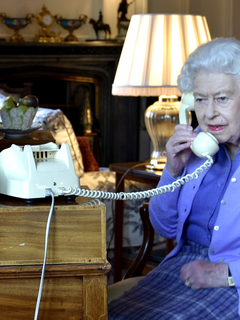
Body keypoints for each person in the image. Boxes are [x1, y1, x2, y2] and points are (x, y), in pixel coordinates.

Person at [108, 37, 240, 319]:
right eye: (201, 100)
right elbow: (165, 227)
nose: (209, 112)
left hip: (230, 281)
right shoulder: (198, 151)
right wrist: (173, 169)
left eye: (222, 98)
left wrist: (228, 273)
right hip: (180, 268)